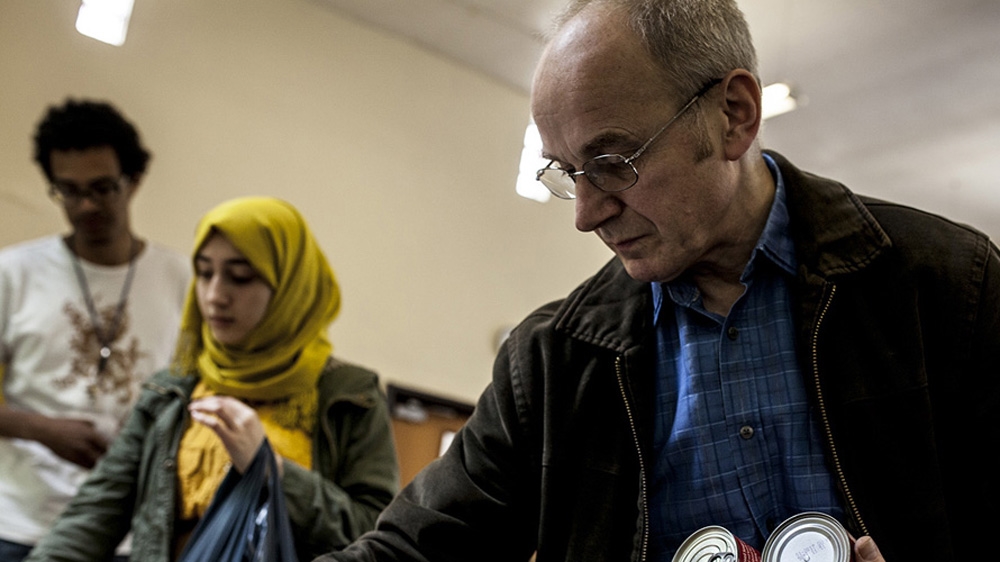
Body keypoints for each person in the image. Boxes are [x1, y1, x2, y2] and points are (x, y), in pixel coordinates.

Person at [315, 1, 1000, 561]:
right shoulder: (552, 364)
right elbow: (409, 552)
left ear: (734, 114)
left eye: (612, 161)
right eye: (565, 173)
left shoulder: (948, 288)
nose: (585, 215)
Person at [26, 196, 399, 561]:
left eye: (239, 277)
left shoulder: (348, 395)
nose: (215, 295)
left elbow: (374, 535)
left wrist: (271, 471)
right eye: (204, 273)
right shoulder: (172, 390)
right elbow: (94, 515)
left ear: (289, 287)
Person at [0, 99, 190, 561]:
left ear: (134, 181)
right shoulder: (13, 272)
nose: (85, 205)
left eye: (102, 188)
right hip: (20, 523)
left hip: (126, 532)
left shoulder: (183, 280)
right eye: (68, 190)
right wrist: (40, 428)